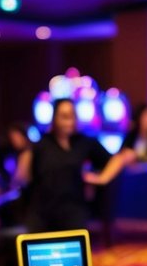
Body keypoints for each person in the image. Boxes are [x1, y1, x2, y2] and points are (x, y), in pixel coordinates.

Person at [15, 98, 132, 231]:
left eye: (72, 116)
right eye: (64, 116)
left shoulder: (83, 142)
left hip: (74, 212)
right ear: (54, 118)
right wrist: (24, 155)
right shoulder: (41, 144)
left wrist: (102, 179)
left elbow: (117, 159)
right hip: (42, 213)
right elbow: (22, 179)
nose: (69, 121)